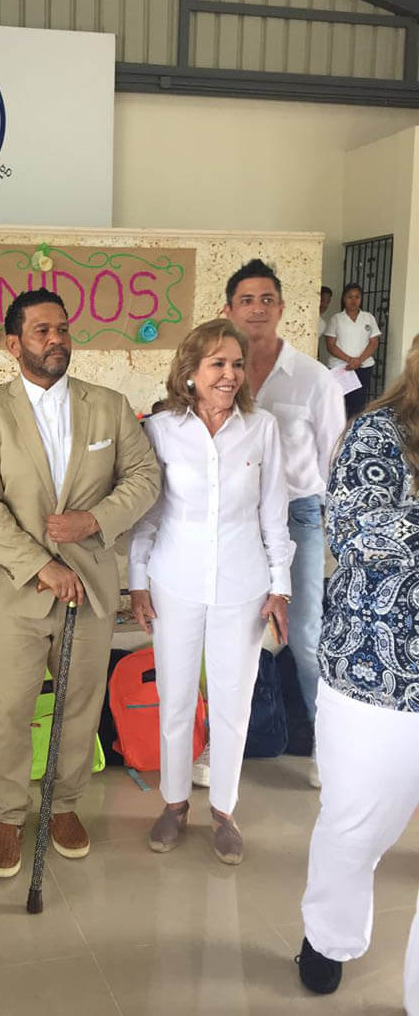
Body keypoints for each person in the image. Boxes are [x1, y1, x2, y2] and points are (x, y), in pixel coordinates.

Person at [0, 288, 161, 878]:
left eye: (63, 329)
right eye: (42, 331)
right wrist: (40, 565)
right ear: (13, 344)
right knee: (6, 710)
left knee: (79, 706)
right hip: (15, 591)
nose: (56, 340)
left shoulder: (109, 406)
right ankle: (6, 816)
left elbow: (145, 476)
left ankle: (64, 805)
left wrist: (94, 520)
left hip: (92, 588)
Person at [129, 319, 292, 865]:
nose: (229, 375)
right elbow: (148, 515)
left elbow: (274, 514)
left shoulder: (262, 428)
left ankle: (224, 810)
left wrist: (280, 586)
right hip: (174, 580)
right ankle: (174, 804)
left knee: (232, 703)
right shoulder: (161, 429)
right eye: (217, 364)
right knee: (175, 698)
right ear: (191, 372)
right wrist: (137, 582)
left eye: (237, 364)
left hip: (243, 584)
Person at [297, 337, 419, 1013]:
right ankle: (329, 936)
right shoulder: (379, 434)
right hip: (379, 678)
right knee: (355, 829)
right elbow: (357, 532)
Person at [224, 259, 345, 787]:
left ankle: (327, 748)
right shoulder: (216, 371)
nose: (257, 308)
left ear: (282, 308)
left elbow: (335, 462)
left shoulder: (315, 380)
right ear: (228, 309)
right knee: (230, 634)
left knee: (305, 635)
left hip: (297, 516)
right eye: (247, 300)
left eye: (267, 299)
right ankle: (224, 746)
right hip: (233, 517)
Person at [324, 283, 381, 418]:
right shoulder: (336, 319)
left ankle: (352, 430)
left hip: (363, 367)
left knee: (358, 406)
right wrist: (350, 360)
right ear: (344, 298)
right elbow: (330, 345)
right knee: (338, 404)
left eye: (357, 297)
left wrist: (358, 361)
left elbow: (374, 342)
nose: (353, 300)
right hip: (341, 368)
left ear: (361, 299)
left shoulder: (368, 317)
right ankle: (338, 431)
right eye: (350, 297)